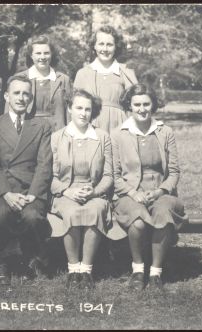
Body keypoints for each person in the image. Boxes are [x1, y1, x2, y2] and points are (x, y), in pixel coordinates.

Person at [111, 83, 188, 291]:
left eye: (146, 104)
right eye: (137, 104)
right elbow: (114, 174)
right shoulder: (118, 134)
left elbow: (174, 172)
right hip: (129, 193)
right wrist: (132, 193)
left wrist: (160, 191)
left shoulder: (165, 131)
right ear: (130, 106)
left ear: (153, 105)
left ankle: (155, 273)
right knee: (137, 221)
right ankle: (138, 270)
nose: (142, 109)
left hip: (161, 191)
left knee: (163, 215)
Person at [48, 89, 126, 289]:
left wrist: (94, 192)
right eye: (78, 108)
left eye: (88, 109)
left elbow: (109, 175)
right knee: (72, 211)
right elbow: (51, 176)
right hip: (65, 192)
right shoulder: (57, 137)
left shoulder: (102, 137)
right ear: (69, 109)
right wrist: (67, 191)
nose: (83, 113)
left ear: (93, 112)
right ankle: (73, 269)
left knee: (94, 210)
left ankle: (86, 270)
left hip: (95, 192)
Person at [0, 75, 53, 286]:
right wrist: (6, 193)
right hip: (3, 188)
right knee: (1, 214)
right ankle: (0, 262)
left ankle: (30, 259)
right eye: (16, 93)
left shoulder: (41, 125)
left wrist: (33, 193)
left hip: (30, 188)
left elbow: (44, 164)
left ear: (31, 98)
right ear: (6, 96)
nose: (21, 98)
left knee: (32, 216)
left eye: (26, 94)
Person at [73, 26, 138, 134]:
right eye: (101, 44)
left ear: (116, 47)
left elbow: (136, 106)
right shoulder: (82, 73)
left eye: (109, 45)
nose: (105, 49)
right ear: (94, 46)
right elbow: (74, 109)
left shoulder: (126, 72)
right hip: (90, 128)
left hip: (119, 128)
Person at [8, 35, 71, 130]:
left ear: (52, 54)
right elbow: (10, 111)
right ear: (31, 55)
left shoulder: (63, 80)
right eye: (38, 53)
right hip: (28, 133)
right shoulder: (19, 78)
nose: (42, 57)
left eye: (46, 53)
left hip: (57, 134)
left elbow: (70, 113)